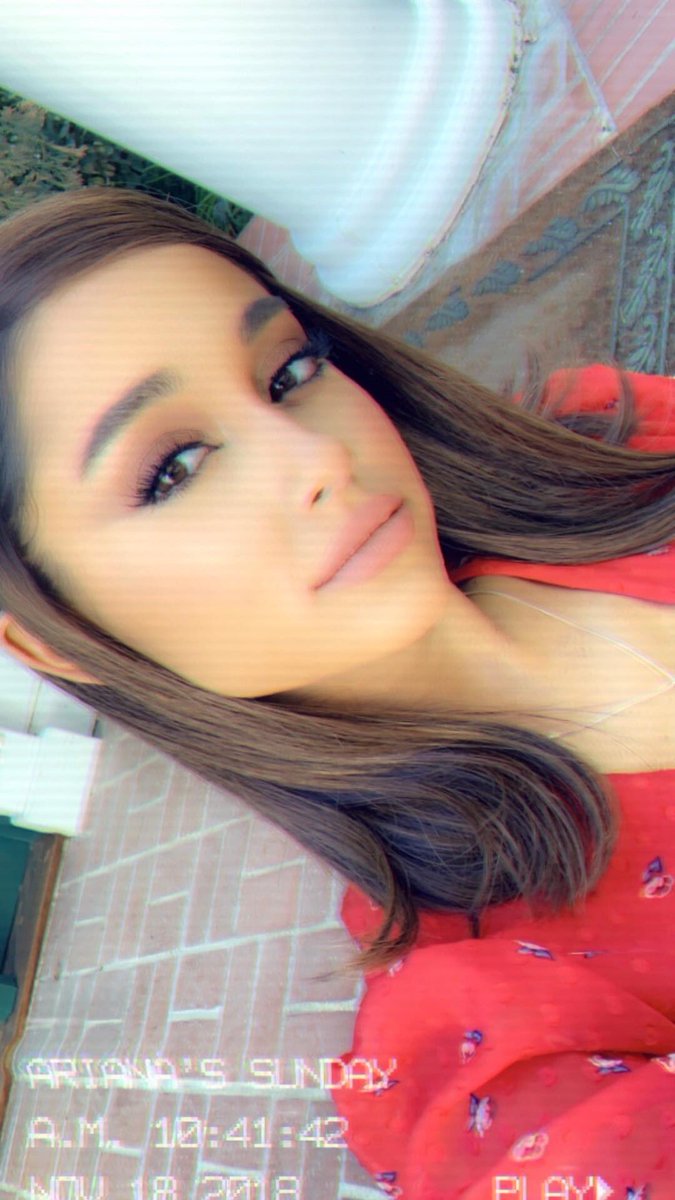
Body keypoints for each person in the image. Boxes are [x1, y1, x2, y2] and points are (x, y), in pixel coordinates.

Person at [0, 186, 673, 1195]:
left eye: (288, 373)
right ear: (59, 637)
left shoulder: (605, 452)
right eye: (175, 469)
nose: (318, 458)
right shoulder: (476, 1026)